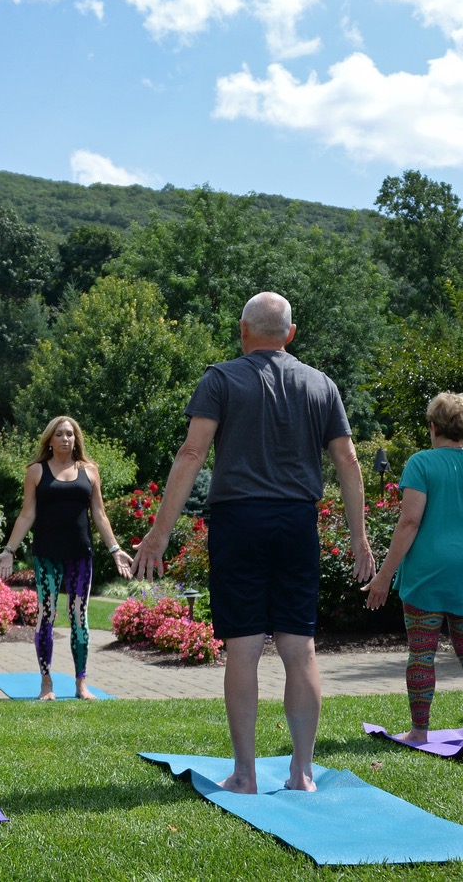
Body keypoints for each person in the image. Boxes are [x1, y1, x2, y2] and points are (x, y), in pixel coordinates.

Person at [133, 292, 374, 794]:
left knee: (242, 651)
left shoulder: (220, 379)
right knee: (299, 647)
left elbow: (192, 451)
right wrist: (360, 538)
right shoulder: (321, 384)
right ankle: (302, 773)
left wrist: (158, 534)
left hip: (238, 521)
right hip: (296, 522)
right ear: (290, 333)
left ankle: (244, 774)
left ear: (243, 330)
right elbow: (348, 462)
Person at [362, 392, 463, 742]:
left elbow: (409, 523)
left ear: (433, 426)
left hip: (428, 570)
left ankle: (419, 732)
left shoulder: (421, 463)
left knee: (421, 653)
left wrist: (383, 576)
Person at [0, 416, 133, 700]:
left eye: (70, 434)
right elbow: (27, 514)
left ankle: (81, 684)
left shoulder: (90, 471)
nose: (65, 439)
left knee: (79, 618)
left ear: (76, 438)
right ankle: (46, 684)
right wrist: (9, 550)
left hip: (80, 555)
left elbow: (99, 514)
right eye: (59, 434)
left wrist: (115, 548)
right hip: (47, 555)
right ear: (50, 439)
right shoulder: (36, 471)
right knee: (46, 616)